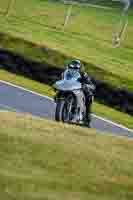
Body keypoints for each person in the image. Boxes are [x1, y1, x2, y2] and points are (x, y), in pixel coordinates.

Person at [64, 59, 95, 125]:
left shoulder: (84, 75)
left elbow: (92, 85)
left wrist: (85, 85)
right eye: (71, 67)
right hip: (69, 88)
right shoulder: (66, 73)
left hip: (80, 90)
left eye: (75, 68)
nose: (73, 70)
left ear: (79, 69)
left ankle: (87, 117)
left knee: (89, 96)